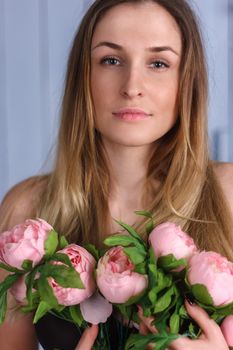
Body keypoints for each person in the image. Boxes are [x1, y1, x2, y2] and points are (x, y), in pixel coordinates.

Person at [0, 0, 232, 349]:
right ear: (84, 77)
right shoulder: (26, 215)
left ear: (187, 82)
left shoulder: (229, 194)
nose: (132, 86)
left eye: (158, 63)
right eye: (111, 60)